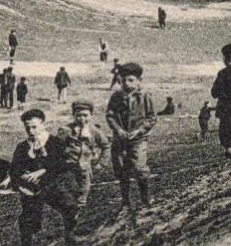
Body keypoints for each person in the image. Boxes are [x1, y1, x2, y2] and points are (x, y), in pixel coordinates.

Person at [11, 109, 77, 246]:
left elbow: (63, 164)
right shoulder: (22, 147)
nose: (30, 131)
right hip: (31, 190)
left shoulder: (54, 142)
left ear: (43, 124)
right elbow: (14, 169)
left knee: (69, 207)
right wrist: (21, 183)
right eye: (27, 127)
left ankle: (71, 243)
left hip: (53, 185)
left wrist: (41, 172)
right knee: (27, 221)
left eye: (34, 127)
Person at [106, 63, 157, 218]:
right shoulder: (116, 96)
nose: (127, 84)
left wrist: (139, 131)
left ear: (139, 80)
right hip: (120, 140)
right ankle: (125, 202)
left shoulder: (145, 96)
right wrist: (119, 130)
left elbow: (151, 118)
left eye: (130, 80)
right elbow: (110, 115)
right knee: (122, 171)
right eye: (123, 81)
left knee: (140, 169)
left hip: (138, 140)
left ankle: (145, 199)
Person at [57, 100, 109, 205]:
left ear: (91, 115)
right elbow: (56, 146)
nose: (82, 119)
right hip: (68, 167)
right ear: (73, 115)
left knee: (83, 191)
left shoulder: (94, 131)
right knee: (67, 192)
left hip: (85, 168)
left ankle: (81, 206)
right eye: (78, 115)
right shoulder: (66, 130)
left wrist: (101, 163)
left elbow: (106, 146)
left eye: (85, 115)